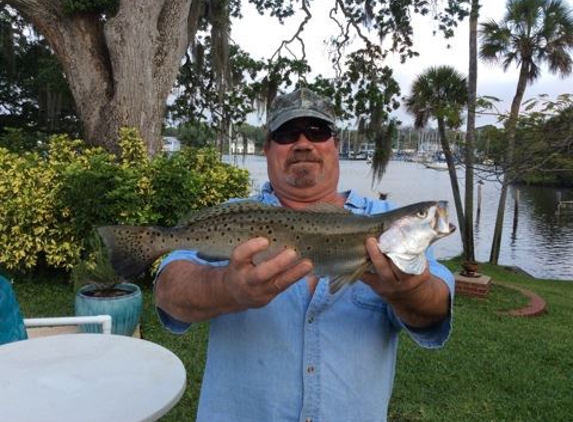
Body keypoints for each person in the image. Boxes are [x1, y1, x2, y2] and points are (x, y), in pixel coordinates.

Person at [154, 87, 455, 422]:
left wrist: (411, 290)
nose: (303, 143)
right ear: (267, 147)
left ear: (336, 145)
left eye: (317, 131)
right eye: (286, 133)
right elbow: (169, 292)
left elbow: (436, 308)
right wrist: (227, 289)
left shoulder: (385, 219)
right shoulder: (233, 217)